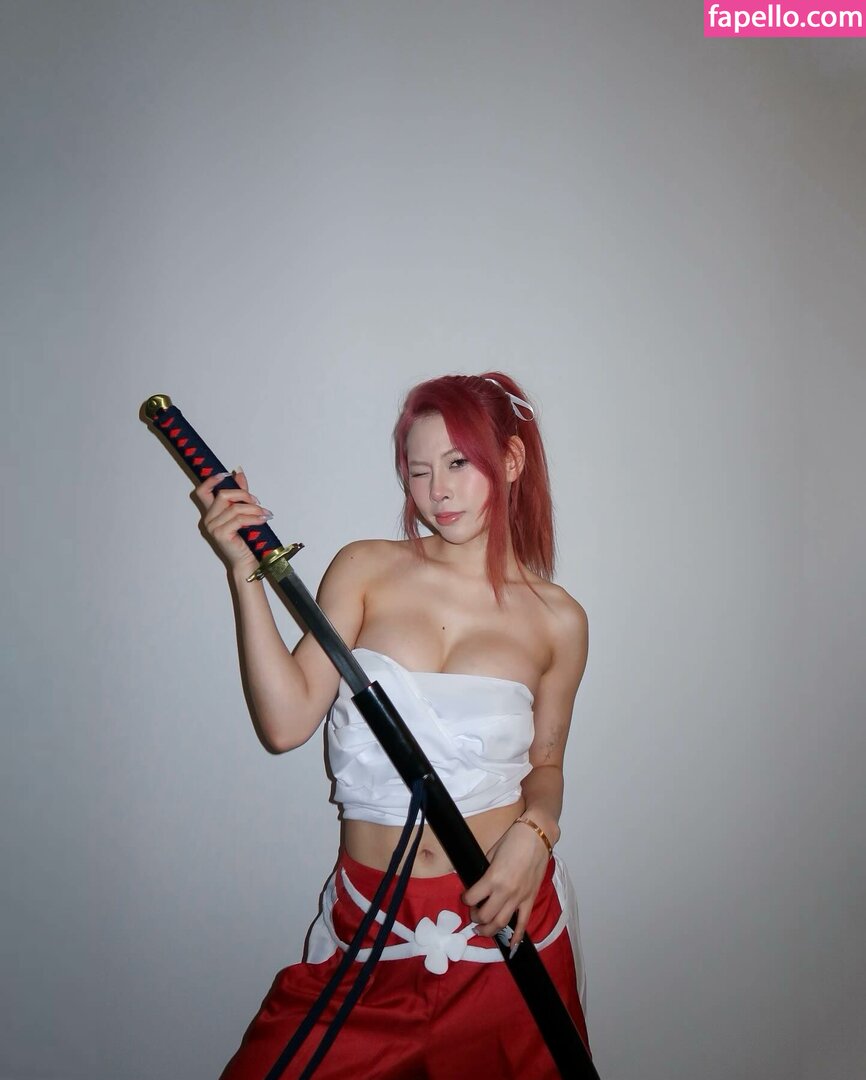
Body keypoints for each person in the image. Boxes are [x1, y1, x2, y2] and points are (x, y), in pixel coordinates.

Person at [199, 373, 591, 1079]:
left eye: (458, 463)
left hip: (504, 926)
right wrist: (244, 573)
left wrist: (536, 836)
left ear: (510, 461)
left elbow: (547, 765)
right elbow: (285, 723)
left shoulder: (558, 618)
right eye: (418, 470)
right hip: (370, 925)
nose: (438, 491)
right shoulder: (366, 567)